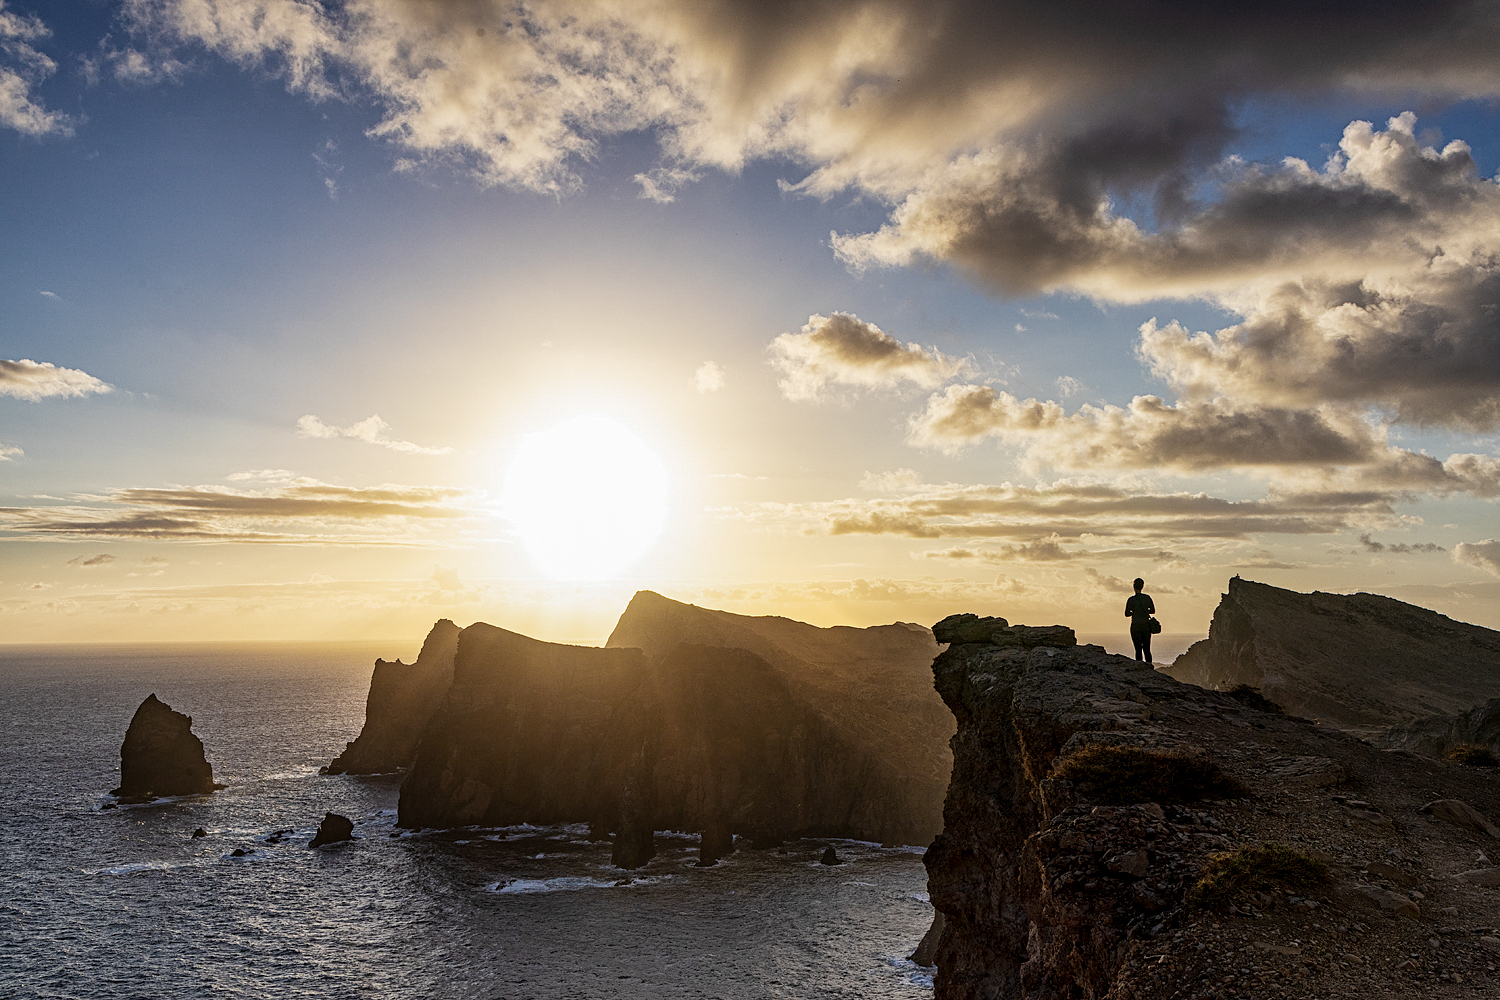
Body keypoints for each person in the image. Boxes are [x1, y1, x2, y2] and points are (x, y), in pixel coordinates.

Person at [1124, 577, 1155, 663]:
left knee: (1138, 649)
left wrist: (1134, 612)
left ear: (1134, 587)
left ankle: (1140, 668)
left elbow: (1126, 614)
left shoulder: (1131, 600)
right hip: (1146, 625)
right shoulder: (1147, 598)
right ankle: (1149, 668)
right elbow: (1153, 611)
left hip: (1136, 625)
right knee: (1147, 649)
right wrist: (1145, 611)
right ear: (1142, 586)